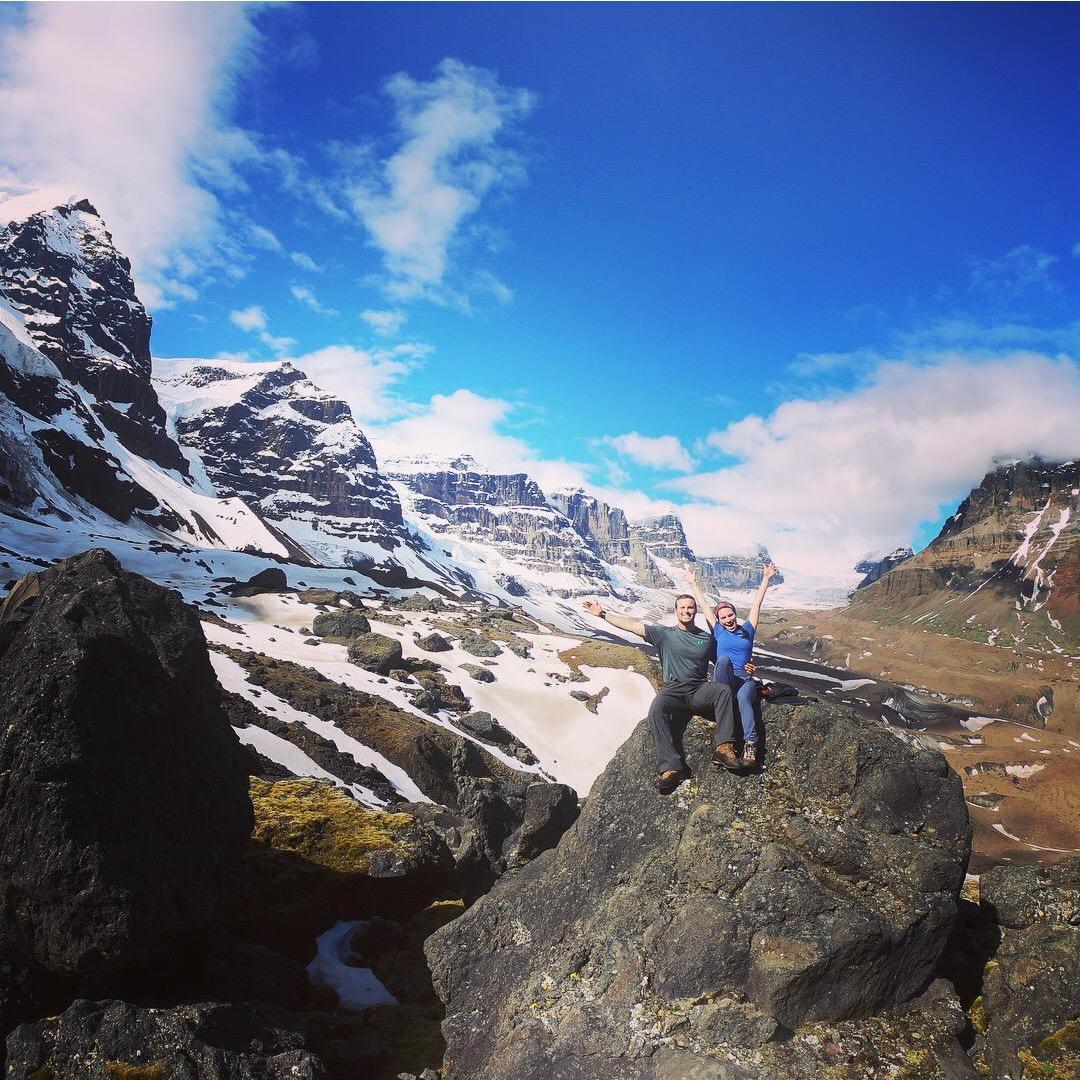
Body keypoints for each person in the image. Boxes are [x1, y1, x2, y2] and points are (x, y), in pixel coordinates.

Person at [582, 593, 737, 794]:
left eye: (690, 607)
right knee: (656, 709)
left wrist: (747, 672)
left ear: (695, 611)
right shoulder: (664, 634)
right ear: (676, 611)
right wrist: (602, 613)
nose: (686, 611)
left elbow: (724, 662)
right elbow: (632, 626)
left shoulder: (705, 639)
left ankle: (724, 747)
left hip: (699, 688)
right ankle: (671, 767)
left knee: (723, 691)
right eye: (682, 608)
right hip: (673, 689)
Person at [686, 562, 778, 769]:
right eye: (723, 617)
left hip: (744, 679)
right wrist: (693, 584)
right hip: (724, 679)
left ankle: (751, 745)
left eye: (730, 615)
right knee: (724, 660)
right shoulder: (717, 630)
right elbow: (703, 604)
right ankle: (724, 704)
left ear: (735, 614)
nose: (728, 620)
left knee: (745, 697)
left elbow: (757, 604)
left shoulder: (748, 630)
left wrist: (766, 579)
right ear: (718, 620)